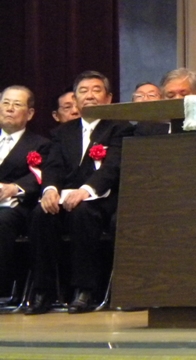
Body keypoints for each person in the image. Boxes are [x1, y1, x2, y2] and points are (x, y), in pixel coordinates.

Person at [26, 71, 134, 315]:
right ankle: (43, 291)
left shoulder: (120, 128)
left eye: (96, 90)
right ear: (75, 99)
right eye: (83, 91)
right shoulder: (62, 132)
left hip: (102, 197)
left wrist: (86, 190)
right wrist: (50, 190)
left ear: (108, 98)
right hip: (66, 196)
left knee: (83, 213)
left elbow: (112, 167)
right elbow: (53, 166)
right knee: (41, 214)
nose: (90, 96)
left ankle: (84, 290)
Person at [0, 86, 50, 303]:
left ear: (29, 113)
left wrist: (15, 188)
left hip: (15, 206)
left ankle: (3, 289)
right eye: (5, 103)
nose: (9, 109)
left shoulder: (40, 144)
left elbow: (41, 177)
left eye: (17, 104)